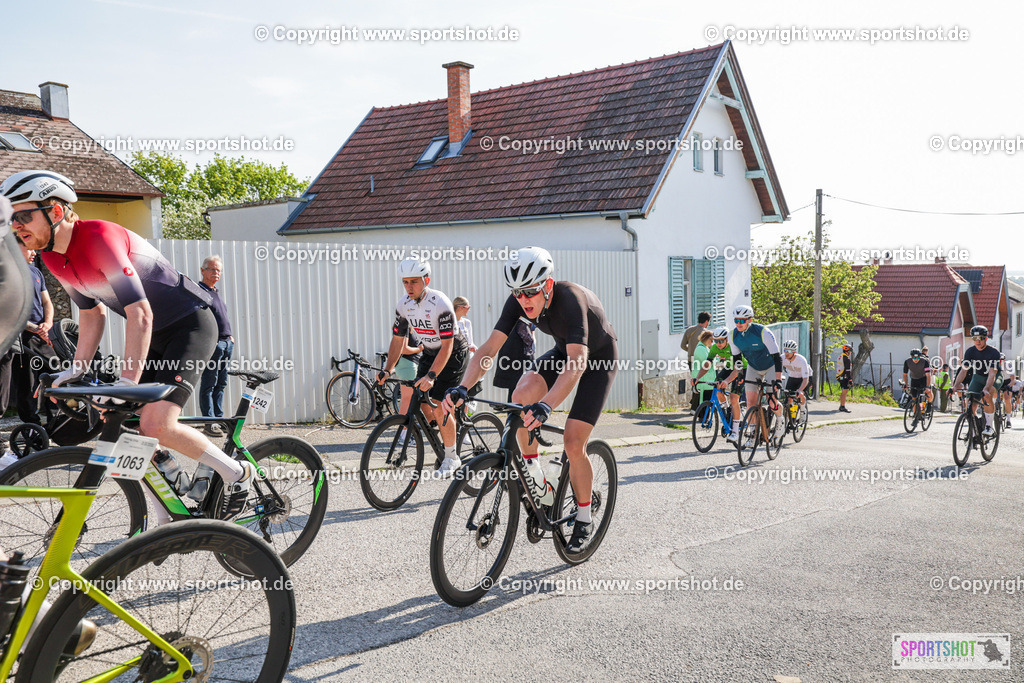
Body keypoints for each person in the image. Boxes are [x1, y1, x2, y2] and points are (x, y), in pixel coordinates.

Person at [3, 170, 255, 520]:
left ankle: (237, 474)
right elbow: (93, 315)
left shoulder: (98, 238)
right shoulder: (52, 258)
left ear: (56, 212)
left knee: (157, 424)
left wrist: (126, 382)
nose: (15, 226)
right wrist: (75, 369)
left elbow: (140, 314)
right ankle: (166, 511)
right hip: (155, 333)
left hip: (191, 324)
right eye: (9, 218)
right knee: (122, 423)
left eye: (22, 216)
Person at [443, 246, 618, 554]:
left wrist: (547, 405)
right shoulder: (519, 301)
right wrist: (462, 388)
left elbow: (578, 361)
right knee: (521, 395)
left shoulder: (571, 299)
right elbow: (487, 350)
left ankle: (584, 515)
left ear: (547, 286)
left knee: (574, 442)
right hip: (565, 353)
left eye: (530, 293)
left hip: (597, 360)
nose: (524, 300)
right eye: (517, 293)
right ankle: (537, 478)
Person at [377, 258, 468, 475]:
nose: (409, 287)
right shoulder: (403, 305)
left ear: (426, 280)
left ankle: (452, 457)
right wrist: (388, 369)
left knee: (438, 402)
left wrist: (432, 375)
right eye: (405, 282)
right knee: (421, 397)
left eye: (414, 282)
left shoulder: (441, 303)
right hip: (429, 351)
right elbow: (398, 340)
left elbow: (447, 346)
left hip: (453, 352)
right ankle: (444, 432)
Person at [718, 305, 783, 448]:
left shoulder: (763, 332)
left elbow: (778, 358)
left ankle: (780, 420)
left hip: (771, 366)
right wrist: (740, 374)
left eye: (742, 320)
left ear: (750, 320)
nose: (739, 324)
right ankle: (753, 435)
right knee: (750, 404)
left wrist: (778, 379)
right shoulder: (732, 335)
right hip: (753, 367)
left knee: (772, 401)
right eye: (736, 320)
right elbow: (737, 359)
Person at [197, 255, 234, 436]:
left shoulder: (215, 292)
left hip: (227, 343)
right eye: (212, 269)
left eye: (218, 270)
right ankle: (209, 422)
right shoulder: (199, 292)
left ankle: (219, 419)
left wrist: (230, 337)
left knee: (221, 383)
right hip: (214, 345)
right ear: (203, 271)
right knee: (209, 383)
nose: (216, 272)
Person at [952, 325, 1001, 436]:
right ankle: (974, 429)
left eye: (981, 338)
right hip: (978, 377)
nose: (977, 341)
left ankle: (989, 426)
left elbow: (992, 373)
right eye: (975, 338)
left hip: (994, 377)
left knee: (987, 395)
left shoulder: (994, 353)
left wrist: (986, 388)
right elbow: (963, 371)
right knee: (969, 403)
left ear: (986, 339)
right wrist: (955, 386)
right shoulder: (970, 352)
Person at [708, 326, 743, 440]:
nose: (718, 343)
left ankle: (735, 431)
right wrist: (697, 378)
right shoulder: (714, 348)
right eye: (716, 341)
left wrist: (727, 381)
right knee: (717, 388)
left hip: (742, 370)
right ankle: (728, 412)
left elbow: (738, 369)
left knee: (733, 398)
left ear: (727, 339)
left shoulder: (734, 348)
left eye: (721, 340)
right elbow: (706, 364)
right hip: (729, 368)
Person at [493, 319, 535, 402]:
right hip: (519, 363)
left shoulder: (508, 323)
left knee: (513, 389)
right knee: (520, 388)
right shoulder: (521, 324)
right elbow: (530, 344)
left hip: (510, 362)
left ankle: (512, 412)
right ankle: (516, 412)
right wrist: (533, 332)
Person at [681, 312, 711, 410]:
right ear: (706, 321)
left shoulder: (689, 330)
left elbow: (682, 345)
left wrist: (690, 351)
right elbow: (709, 348)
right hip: (702, 361)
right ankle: (696, 407)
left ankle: (694, 406)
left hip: (691, 360)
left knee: (695, 381)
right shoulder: (706, 333)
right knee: (701, 383)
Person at [781, 339, 812, 408]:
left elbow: (805, 379)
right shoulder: (782, 358)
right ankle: (789, 416)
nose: (787, 353)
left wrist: (800, 390)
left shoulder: (801, 360)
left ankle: (803, 411)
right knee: (789, 397)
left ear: (794, 352)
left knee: (799, 395)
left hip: (805, 378)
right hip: (793, 376)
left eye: (789, 351)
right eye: (785, 350)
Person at [691, 330, 716, 406]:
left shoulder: (705, 348)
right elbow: (707, 363)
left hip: (707, 381)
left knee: (706, 404)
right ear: (706, 338)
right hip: (703, 381)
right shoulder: (701, 349)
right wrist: (716, 359)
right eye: (711, 340)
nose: (712, 342)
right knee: (704, 404)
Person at [836, 344, 853, 413]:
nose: (850, 353)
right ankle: (842, 406)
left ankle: (841, 405)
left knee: (843, 391)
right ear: (847, 351)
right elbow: (847, 370)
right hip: (844, 377)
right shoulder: (847, 359)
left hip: (839, 376)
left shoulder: (840, 356)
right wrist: (850, 379)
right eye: (850, 351)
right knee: (845, 391)